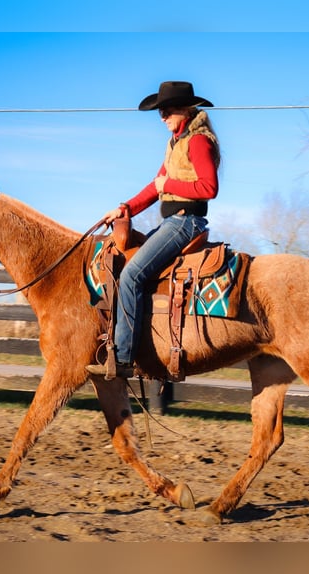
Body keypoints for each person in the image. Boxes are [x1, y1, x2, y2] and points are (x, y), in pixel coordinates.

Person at [86, 81, 221, 379]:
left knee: (132, 274)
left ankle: (122, 358)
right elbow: (153, 186)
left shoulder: (198, 140)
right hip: (173, 221)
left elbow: (209, 187)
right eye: (160, 111)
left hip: (186, 221)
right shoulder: (176, 143)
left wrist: (168, 185)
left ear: (185, 109)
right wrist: (125, 209)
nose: (162, 117)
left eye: (167, 110)